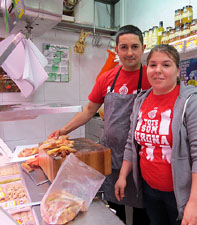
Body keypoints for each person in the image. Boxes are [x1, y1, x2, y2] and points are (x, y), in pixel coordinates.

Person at [49, 25, 151, 224]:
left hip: (140, 157)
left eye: (134, 47)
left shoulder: (152, 77)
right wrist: (63, 130)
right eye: (124, 47)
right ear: (117, 50)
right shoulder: (107, 78)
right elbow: (89, 110)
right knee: (114, 208)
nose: (129, 53)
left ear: (143, 48)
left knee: (143, 212)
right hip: (110, 155)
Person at [114, 44, 197, 225]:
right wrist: (123, 176)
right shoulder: (141, 100)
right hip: (150, 191)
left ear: (178, 71)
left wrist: (195, 202)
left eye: (166, 65)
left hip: (183, 195)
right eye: (153, 65)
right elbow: (132, 144)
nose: (158, 70)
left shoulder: (193, 102)